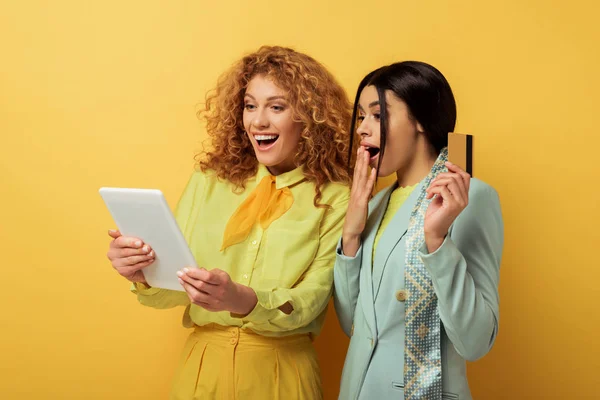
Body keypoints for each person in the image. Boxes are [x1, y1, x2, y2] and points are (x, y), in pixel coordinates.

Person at [106, 45, 352, 399]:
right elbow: (169, 292)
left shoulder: (337, 197)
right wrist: (141, 272)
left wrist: (241, 299)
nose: (258, 121)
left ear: (309, 118)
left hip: (283, 375)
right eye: (250, 106)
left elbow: (311, 300)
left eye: (277, 107)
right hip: (202, 372)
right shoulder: (208, 181)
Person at [334, 61, 504, 400]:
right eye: (362, 117)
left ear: (421, 121)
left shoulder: (469, 199)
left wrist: (437, 242)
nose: (363, 129)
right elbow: (354, 324)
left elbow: (475, 341)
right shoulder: (376, 205)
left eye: (379, 116)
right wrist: (351, 233)